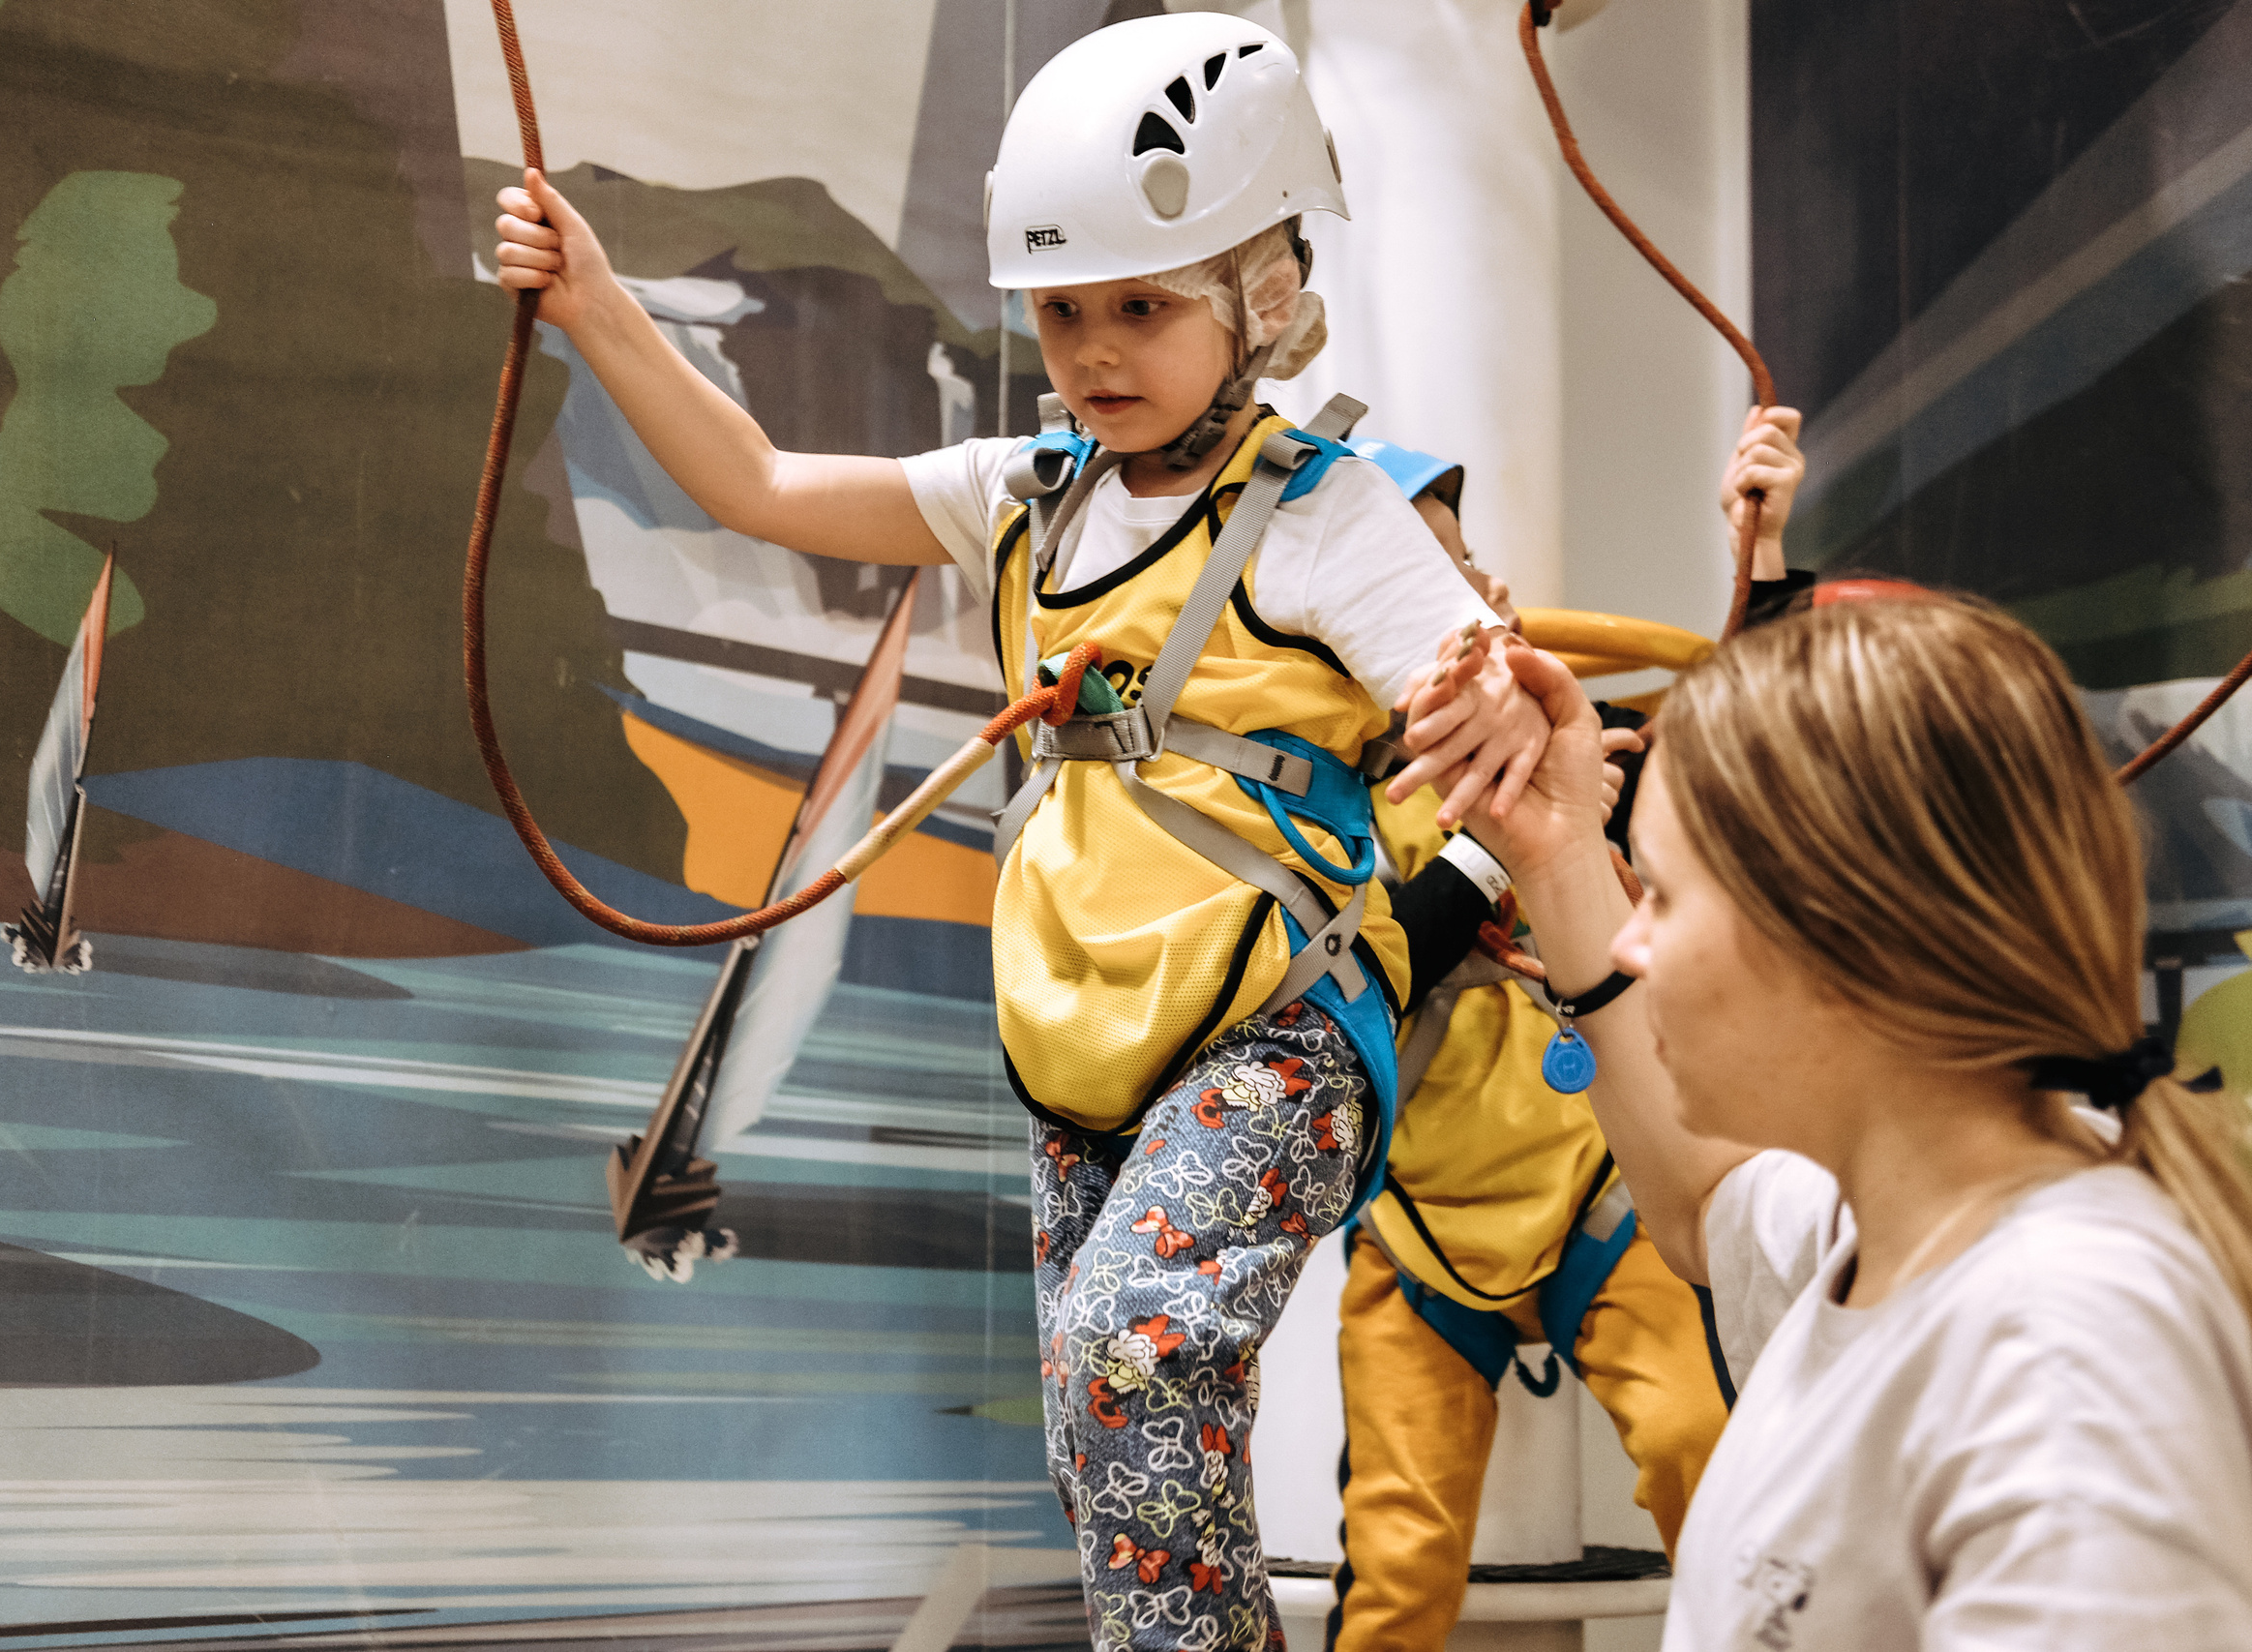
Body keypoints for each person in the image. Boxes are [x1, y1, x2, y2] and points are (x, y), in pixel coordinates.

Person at [490, 15, 1544, 1646]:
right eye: (1064, 310)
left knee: (1136, 1351)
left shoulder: (1333, 516)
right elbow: (760, 484)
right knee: (1094, 1422)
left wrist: (1498, 757)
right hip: (1083, 1046)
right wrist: (595, 303)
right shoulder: (1025, 494)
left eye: (1145, 305)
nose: (1096, 349)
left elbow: (1517, 734)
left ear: (1264, 294)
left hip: (1280, 1030)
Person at [1394, 585, 2252, 1645]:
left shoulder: (2062, 1349)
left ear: (1839, 925)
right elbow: (1701, 1200)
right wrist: (1560, 852)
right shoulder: (1883, 1229)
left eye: (1661, 893)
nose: (1631, 947)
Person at [1331, 410, 1803, 1650]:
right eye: (1397, 574)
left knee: (1715, 1467)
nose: (1453, 588)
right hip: (1417, 1227)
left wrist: (1760, 559)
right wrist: (1509, 843)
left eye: (1449, 564)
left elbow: (1752, 751)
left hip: (1607, 1195)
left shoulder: (1587, 751)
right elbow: (1375, 966)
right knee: (1396, 1563)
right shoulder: (1316, 810)